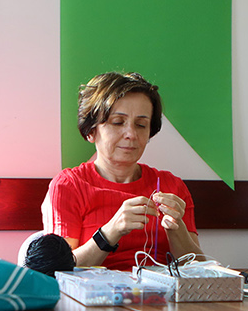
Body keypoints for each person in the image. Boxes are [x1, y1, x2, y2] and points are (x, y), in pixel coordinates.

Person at [43, 72, 201, 271]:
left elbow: (200, 271)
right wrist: (110, 232)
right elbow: (56, 269)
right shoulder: (69, 185)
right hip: (96, 299)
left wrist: (177, 230)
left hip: (163, 299)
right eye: (118, 122)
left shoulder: (172, 186)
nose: (131, 134)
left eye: (141, 125)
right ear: (91, 131)